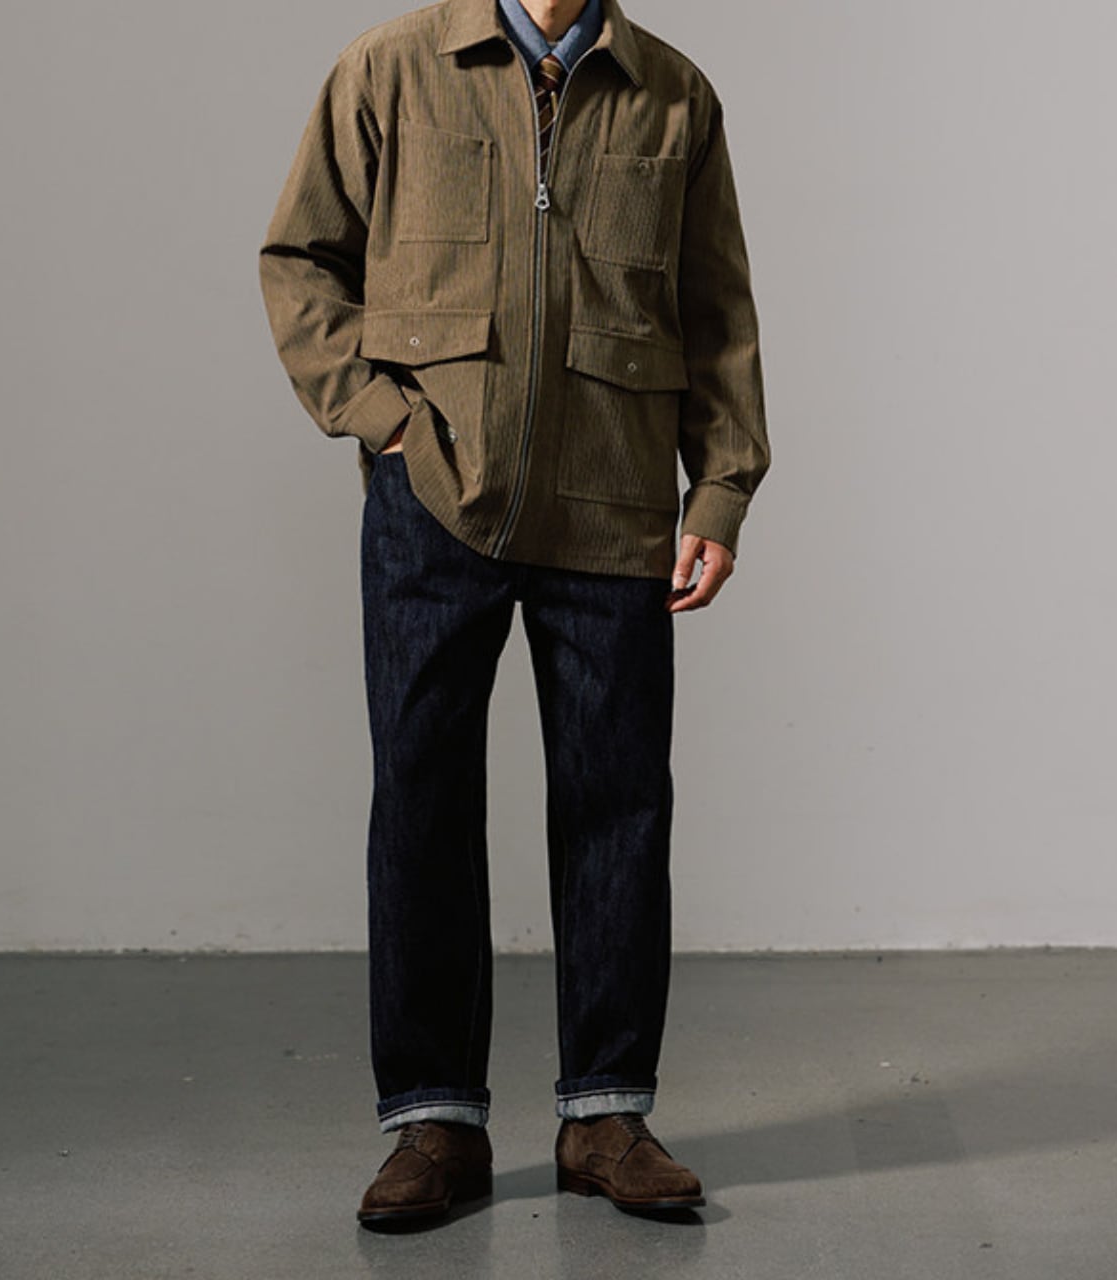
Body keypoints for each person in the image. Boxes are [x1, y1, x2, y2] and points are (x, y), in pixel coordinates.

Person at [258, 0, 769, 1226]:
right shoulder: (387, 71)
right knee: (422, 798)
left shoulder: (674, 96)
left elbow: (717, 314)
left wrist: (720, 488)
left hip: (613, 500)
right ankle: (433, 1118)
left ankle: (605, 1114)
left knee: (617, 804)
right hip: (434, 499)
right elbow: (299, 261)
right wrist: (382, 420)